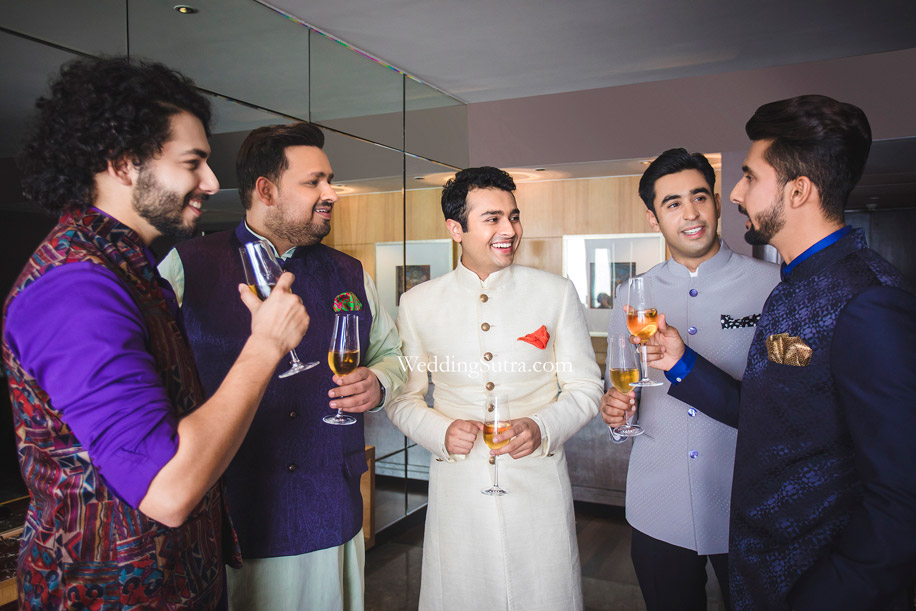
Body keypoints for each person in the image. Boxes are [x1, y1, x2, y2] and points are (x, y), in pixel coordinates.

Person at [2, 57, 309, 610]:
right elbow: (167, 490)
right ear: (123, 163)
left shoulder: (129, 268)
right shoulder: (75, 288)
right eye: (193, 163)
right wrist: (266, 346)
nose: (211, 183)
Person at [645, 95, 916, 610]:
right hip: (762, 572)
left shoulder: (870, 301)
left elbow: (902, 499)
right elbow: (767, 412)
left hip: (817, 585)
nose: (735, 192)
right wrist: (681, 362)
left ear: (797, 190)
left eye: (750, 176)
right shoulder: (791, 287)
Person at [158, 121, 405, 610]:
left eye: (329, 180)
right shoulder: (185, 265)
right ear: (266, 190)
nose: (331, 193)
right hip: (228, 513)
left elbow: (392, 355)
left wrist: (378, 382)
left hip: (329, 505)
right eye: (314, 182)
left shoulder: (350, 272)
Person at [385, 166, 603, 610]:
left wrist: (542, 427)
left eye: (514, 216)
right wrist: (440, 432)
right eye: (492, 219)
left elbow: (585, 386)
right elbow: (403, 398)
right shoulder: (417, 303)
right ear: (456, 229)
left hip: (538, 486)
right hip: (459, 488)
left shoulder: (556, 293)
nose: (510, 230)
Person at [601, 148, 780, 610]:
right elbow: (619, 387)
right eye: (673, 203)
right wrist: (615, 413)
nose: (691, 214)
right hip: (657, 504)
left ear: (717, 203)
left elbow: (787, 403)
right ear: (653, 217)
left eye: (699, 197)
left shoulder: (773, 285)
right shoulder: (631, 295)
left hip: (748, 506)